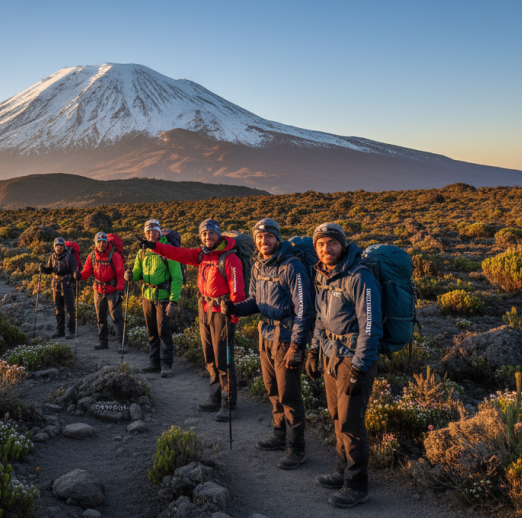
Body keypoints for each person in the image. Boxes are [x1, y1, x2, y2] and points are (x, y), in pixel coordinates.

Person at [222, 218, 314, 470]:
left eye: (269, 237)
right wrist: (235, 308)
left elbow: (304, 310)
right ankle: (279, 434)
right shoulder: (259, 265)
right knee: (272, 389)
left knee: (289, 394)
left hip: (286, 338)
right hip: (266, 335)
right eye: (260, 238)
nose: (264, 241)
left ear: (278, 238)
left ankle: (297, 448)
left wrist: (297, 345)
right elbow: (254, 300)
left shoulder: (292, 267)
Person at [136, 219, 244, 422]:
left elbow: (238, 292)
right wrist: (155, 246)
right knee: (209, 357)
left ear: (219, 235)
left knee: (224, 360)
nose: (207, 237)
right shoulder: (202, 255)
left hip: (222, 313)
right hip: (204, 310)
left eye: (211, 234)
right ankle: (214, 397)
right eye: (204, 234)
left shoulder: (230, 259)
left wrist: (234, 317)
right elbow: (179, 253)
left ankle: (229, 403)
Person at [306, 222, 382, 509]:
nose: (326, 249)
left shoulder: (359, 277)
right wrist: (314, 350)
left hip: (353, 358)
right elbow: (320, 318)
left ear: (343, 245)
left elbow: (371, 326)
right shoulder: (323, 275)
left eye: (332, 243)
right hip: (330, 354)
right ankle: (342, 470)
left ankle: (357, 484)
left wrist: (360, 367)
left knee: (351, 422)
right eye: (321, 244)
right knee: (337, 415)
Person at [128, 219, 183, 378]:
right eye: (148, 232)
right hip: (147, 296)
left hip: (163, 297)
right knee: (152, 331)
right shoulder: (143, 251)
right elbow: (137, 273)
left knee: (163, 331)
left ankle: (166, 365)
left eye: (153, 231)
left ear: (159, 233)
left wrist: (173, 301)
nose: (151, 234)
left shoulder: (167, 250)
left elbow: (177, 278)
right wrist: (130, 275)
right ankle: (154, 363)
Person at [78, 232, 126, 351]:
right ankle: (103, 341)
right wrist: (79, 275)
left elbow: (120, 275)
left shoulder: (115, 256)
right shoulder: (92, 256)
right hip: (98, 290)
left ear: (107, 243)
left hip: (112, 290)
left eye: (103, 242)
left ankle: (122, 343)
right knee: (100, 317)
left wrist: (120, 290)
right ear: (95, 243)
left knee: (116, 317)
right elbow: (87, 271)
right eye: (99, 242)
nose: (101, 244)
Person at [40, 237, 78, 339]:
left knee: (70, 308)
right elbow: (50, 269)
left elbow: (75, 269)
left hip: (67, 285)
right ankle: (60, 330)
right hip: (56, 285)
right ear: (54, 247)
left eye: (61, 246)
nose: (59, 248)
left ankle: (71, 331)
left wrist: (76, 274)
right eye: (57, 246)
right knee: (58, 308)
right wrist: (44, 269)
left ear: (64, 247)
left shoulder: (70, 257)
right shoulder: (52, 257)